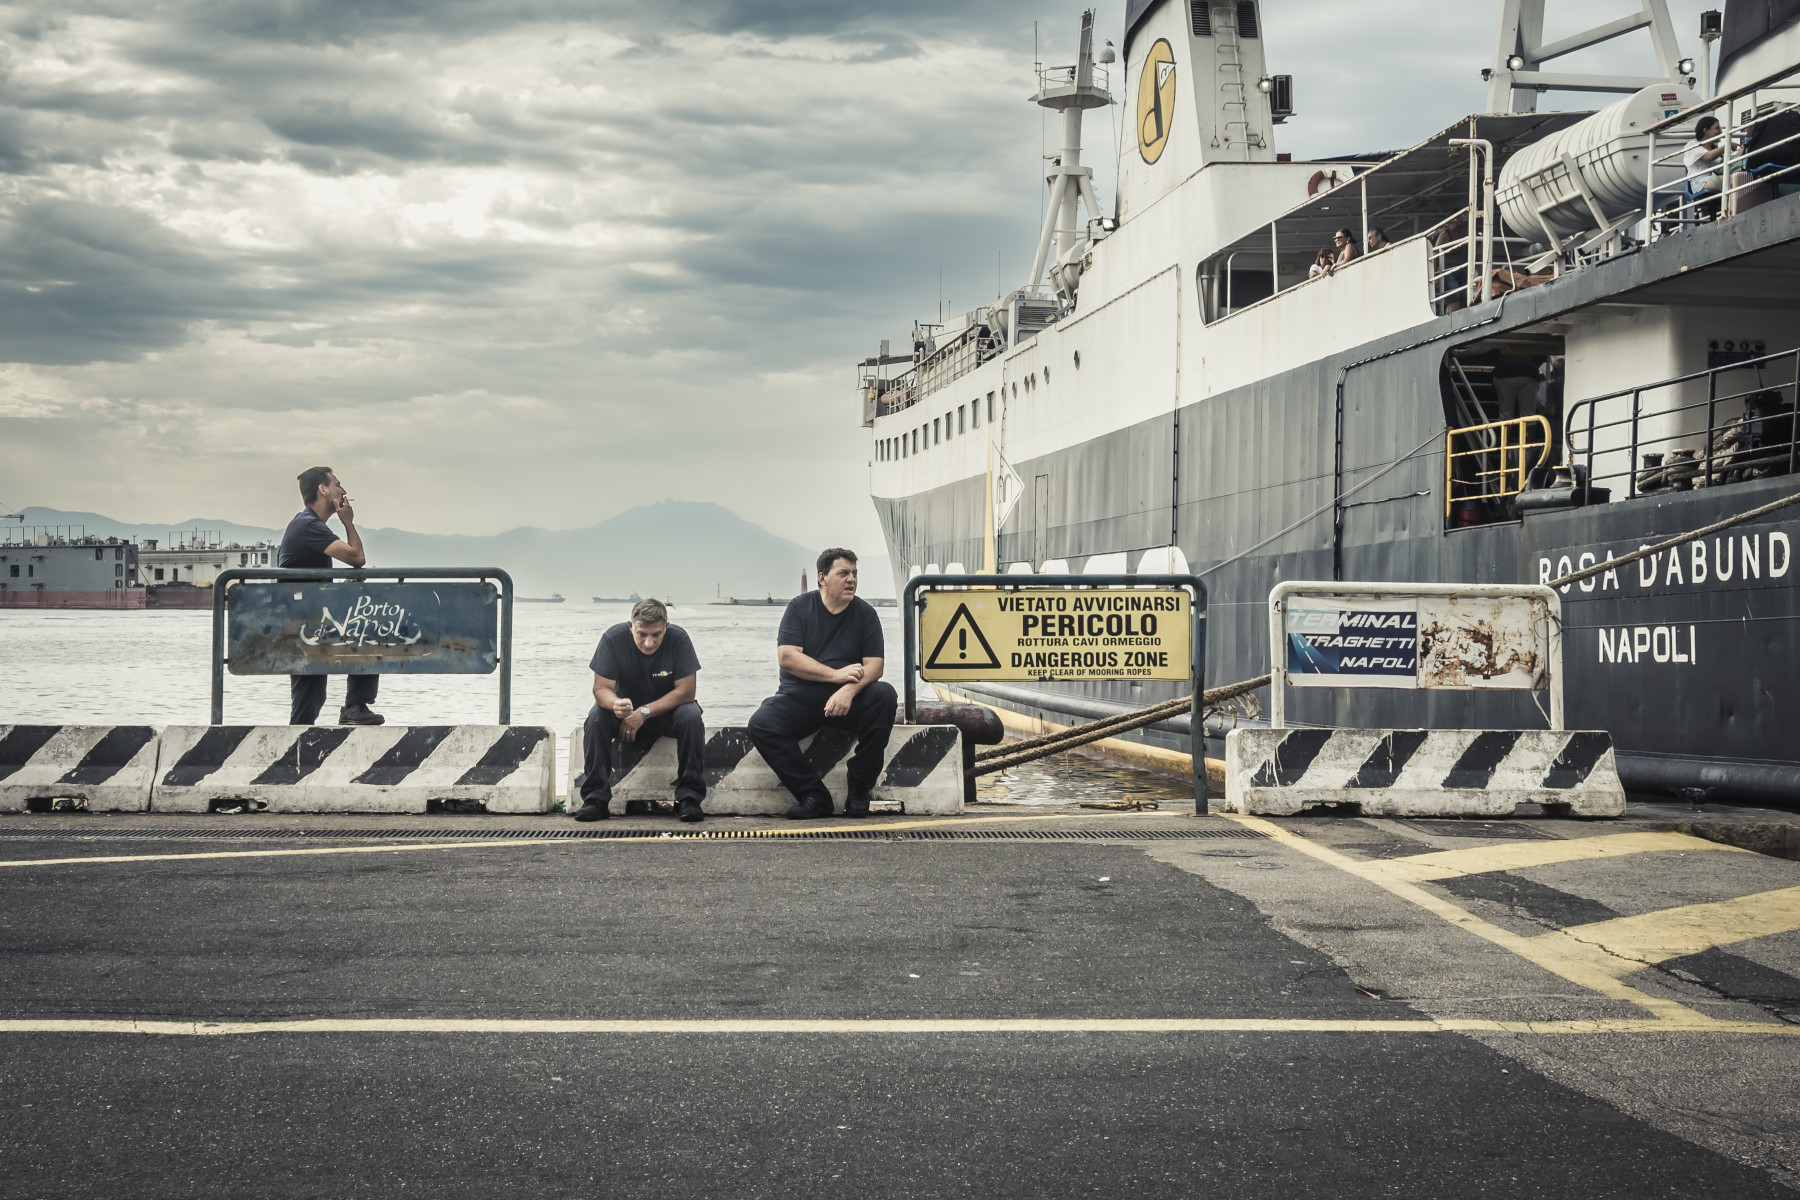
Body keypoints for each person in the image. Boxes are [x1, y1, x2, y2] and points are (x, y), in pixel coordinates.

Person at [747, 548, 896, 819]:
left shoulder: (865, 614)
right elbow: (787, 657)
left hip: (848, 700)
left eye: (854, 574)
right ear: (822, 578)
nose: (851, 579)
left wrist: (848, 690)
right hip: (801, 698)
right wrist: (835, 676)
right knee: (762, 724)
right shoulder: (799, 607)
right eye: (843, 573)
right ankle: (814, 795)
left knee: (884, 695)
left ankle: (859, 790)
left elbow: (875, 666)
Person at [572, 597, 706, 823]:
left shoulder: (679, 639)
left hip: (665, 713)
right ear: (630, 626)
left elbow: (686, 692)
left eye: (656, 635)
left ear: (666, 627)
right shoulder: (612, 639)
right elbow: (601, 689)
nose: (649, 643)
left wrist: (644, 712)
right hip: (625, 713)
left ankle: (689, 799)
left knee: (691, 715)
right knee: (596, 717)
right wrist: (615, 703)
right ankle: (596, 799)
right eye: (642, 634)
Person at [280, 466, 382, 726]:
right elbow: (357, 557)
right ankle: (355, 707)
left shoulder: (307, 523)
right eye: (337, 484)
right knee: (366, 628)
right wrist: (348, 521)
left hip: (304, 617)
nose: (343, 490)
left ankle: (349, 709)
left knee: (311, 695)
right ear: (323, 490)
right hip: (304, 624)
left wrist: (342, 586)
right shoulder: (308, 525)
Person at [1683, 116, 1726, 219]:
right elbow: (1708, 157)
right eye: (1717, 128)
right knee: (1734, 179)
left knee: (1739, 177)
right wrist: (1727, 146)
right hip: (1700, 181)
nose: (1720, 131)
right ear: (1706, 130)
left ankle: (1732, 211)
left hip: (1713, 178)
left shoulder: (1716, 151)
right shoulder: (1692, 145)